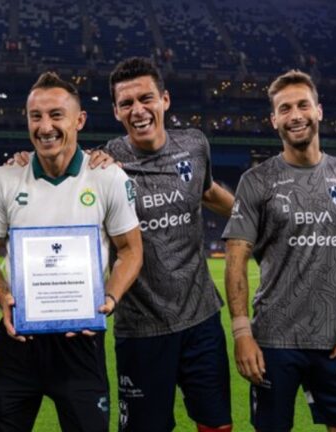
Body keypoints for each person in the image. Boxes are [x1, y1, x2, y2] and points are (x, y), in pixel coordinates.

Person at [0, 71, 143, 431]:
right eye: (36, 116)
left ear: (79, 120)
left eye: (56, 115)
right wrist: (3, 295)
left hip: (80, 340)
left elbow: (130, 250)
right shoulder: (5, 178)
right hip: (19, 337)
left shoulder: (107, 177)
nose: (45, 126)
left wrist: (109, 300)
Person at [223, 70, 336, 432]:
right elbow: (236, 260)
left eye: (303, 105)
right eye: (285, 108)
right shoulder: (256, 181)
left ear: (318, 111)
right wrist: (243, 334)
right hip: (273, 340)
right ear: (274, 118)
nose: (295, 115)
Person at [105, 57, 235, 432]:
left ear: (165, 99)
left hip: (201, 318)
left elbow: (208, 191)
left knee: (216, 425)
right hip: (141, 327)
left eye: (146, 98)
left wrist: (257, 223)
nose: (138, 110)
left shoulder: (195, 145)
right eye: (127, 103)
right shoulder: (104, 162)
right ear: (116, 111)